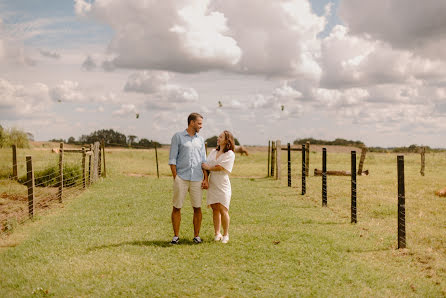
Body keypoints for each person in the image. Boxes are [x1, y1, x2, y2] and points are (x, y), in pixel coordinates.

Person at [168, 113, 208, 244]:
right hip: (182, 178)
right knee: (177, 207)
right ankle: (176, 236)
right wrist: (176, 177)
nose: (201, 126)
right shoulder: (178, 137)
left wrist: (205, 178)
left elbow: (203, 161)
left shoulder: (201, 140)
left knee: (197, 207)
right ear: (192, 122)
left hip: (197, 178)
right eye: (199, 123)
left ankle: (196, 236)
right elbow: (172, 159)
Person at [202, 130, 235, 244]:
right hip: (213, 183)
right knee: (215, 208)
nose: (218, 138)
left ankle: (226, 234)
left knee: (223, 209)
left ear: (227, 140)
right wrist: (205, 179)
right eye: (218, 137)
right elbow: (204, 166)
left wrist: (209, 167)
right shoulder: (212, 152)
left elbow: (221, 167)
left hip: (223, 183)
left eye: (221, 137)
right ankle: (217, 233)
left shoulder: (230, 154)